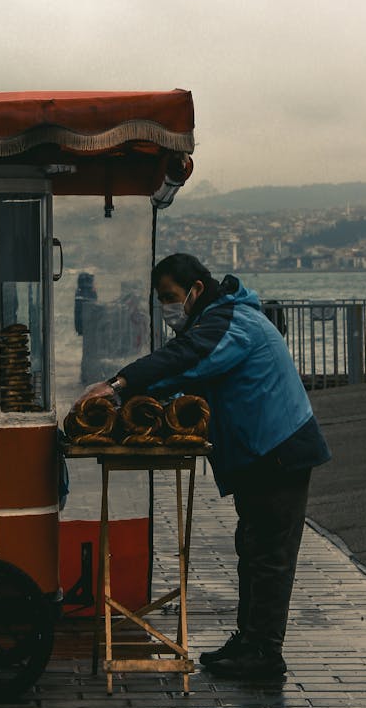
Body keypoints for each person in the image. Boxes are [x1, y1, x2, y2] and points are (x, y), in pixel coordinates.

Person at [78, 252, 331, 679]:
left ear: (196, 290)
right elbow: (180, 375)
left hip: (280, 449)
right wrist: (126, 397)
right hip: (259, 454)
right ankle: (249, 640)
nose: (167, 308)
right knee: (252, 549)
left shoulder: (231, 320)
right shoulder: (216, 322)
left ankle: (264, 652)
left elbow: (187, 358)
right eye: (160, 300)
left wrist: (118, 384)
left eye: (170, 297)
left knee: (269, 554)